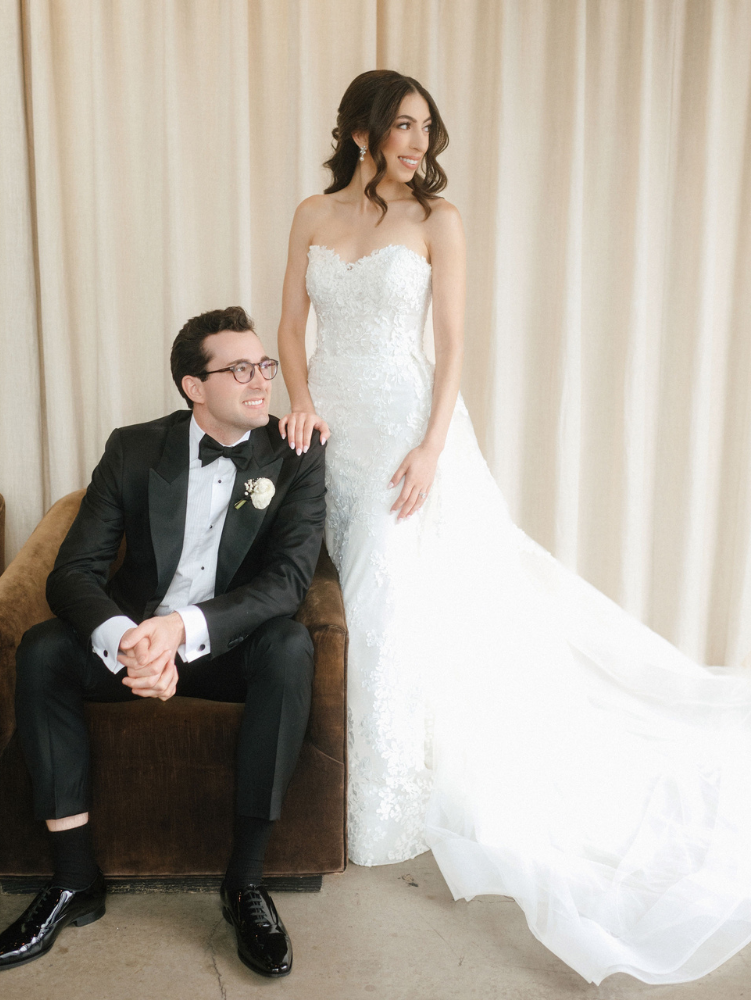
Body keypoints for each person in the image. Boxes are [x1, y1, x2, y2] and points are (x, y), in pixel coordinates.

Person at [276, 68, 751, 985]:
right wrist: (299, 402)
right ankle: (327, 784)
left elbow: (452, 345)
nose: (418, 141)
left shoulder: (437, 223)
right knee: (337, 599)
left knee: (380, 601)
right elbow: (292, 326)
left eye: (425, 126)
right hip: (327, 430)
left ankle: (380, 802)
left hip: (405, 433)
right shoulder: (312, 213)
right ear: (364, 131)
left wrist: (431, 448)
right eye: (403, 125)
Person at [0, 307, 326, 979]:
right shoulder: (135, 448)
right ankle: (74, 882)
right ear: (195, 386)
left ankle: (245, 885)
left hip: (227, 647)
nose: (262, 382)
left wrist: (182, 631)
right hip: (137, 641)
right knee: (44, 648)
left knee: (289, 647)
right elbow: (73, 571)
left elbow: (287, 582)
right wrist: (132, 641)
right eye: (241, 368)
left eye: (266, 366)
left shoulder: (294, 453)